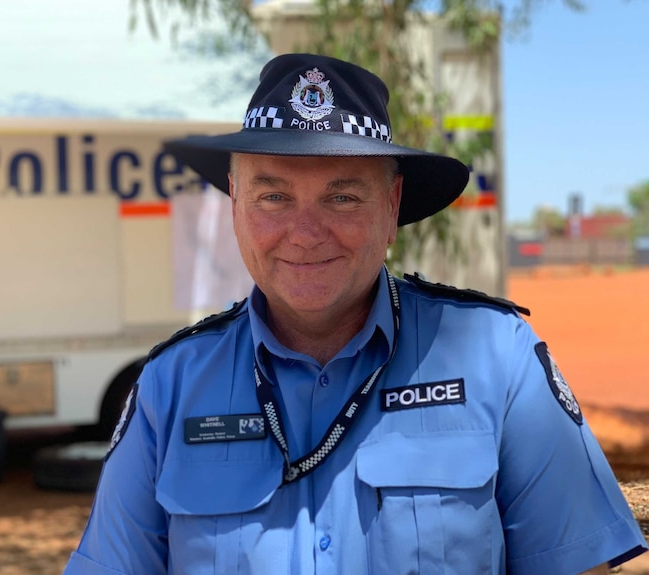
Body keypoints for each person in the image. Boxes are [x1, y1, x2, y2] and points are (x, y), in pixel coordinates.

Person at [62, 53, 647, 575]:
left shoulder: (498, 356)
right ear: (235, 206)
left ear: (391, 208)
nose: (306, 233)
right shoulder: (172, 385)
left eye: (342, 197)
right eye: (273, 197)